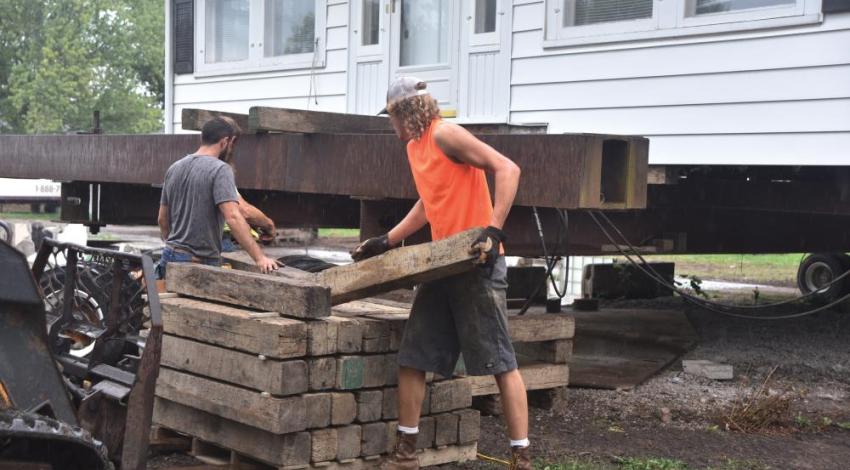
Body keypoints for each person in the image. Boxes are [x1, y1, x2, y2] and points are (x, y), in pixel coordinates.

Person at [351, 77, 529, 470]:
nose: (391, 126)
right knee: (413, 357)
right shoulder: (416, 147)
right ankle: (406, 454)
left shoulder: (446, 134)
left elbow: (507, 168)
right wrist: (387, 240)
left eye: (392, 118)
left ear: (406, 113)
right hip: (441, 264)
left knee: (501, 362)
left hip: (477, 262)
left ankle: (521, 457)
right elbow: (429, 202)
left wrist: (494, 229)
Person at [156, 116, 278, 278]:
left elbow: (162, 219)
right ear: (226, 141)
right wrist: (260, 258)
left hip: (169, 256)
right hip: (198, 262)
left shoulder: (175, 167)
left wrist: (175, 246)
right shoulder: (220, 170)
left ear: (203, 138)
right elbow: (233, 217)